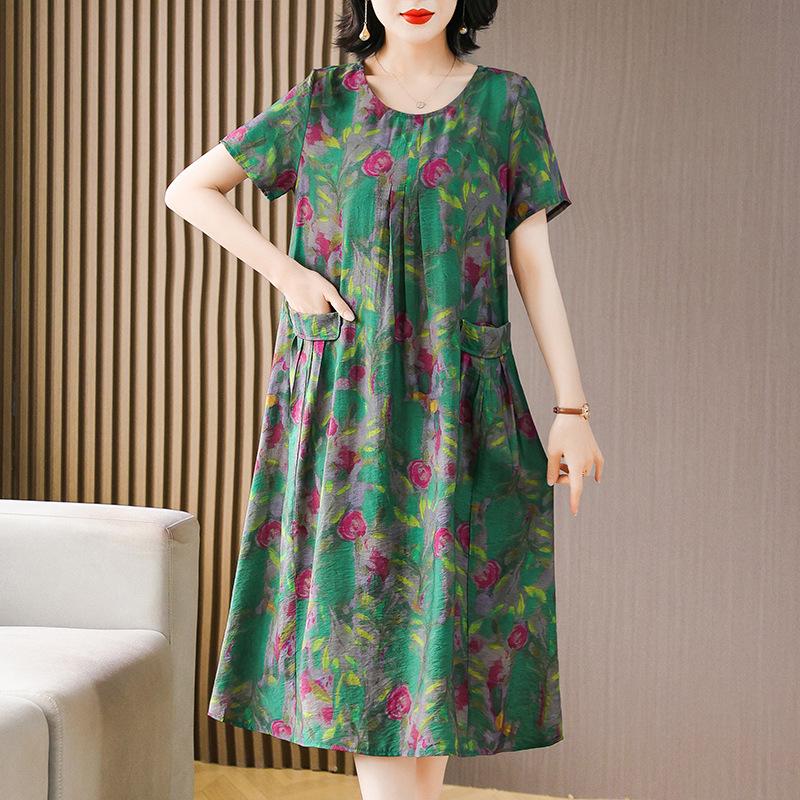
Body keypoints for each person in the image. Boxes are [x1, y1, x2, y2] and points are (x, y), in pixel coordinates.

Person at [165, 1, 604, 798]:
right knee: (368, 633)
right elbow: (191, 189)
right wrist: (288, 275)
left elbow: (532, 263)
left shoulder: (506, 103)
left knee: (440, 639)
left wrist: (571, 410)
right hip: (349, 410)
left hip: (461, 409)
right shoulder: (322, 102)